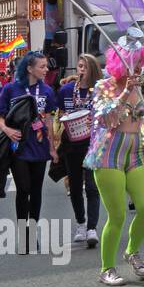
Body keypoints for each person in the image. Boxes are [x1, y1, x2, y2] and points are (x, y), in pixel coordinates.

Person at [87, 42, 144, 285]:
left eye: (139, 62)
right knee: (116, 215)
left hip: (136, 153)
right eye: (132, 62)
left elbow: (143, 121)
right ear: (119, 63)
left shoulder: (139, 87)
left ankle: (132, 250)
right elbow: (106, 119)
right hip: (109, 155)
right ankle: (107, 268)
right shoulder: (104, 86)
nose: (137, 68)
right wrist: (126, 93)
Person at [0, 51, 59, 255]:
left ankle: (32, 232)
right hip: (19, 146)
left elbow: (48, 119)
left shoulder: (47, 90)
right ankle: (24, 235)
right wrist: (7, 130)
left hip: (39, 146)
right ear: (29, 68)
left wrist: (52, 147)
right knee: (23, 189)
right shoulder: (10, 89)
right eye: (42, 66)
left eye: (46, 66)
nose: (46, 69)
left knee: (36, 190)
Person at [58, 53, 101, 250]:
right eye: (79, 66)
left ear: (92, 69)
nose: (81, 70)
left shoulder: (100, 90)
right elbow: (59, 112)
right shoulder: (67, 90)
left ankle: (92, 228)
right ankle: (81, 223)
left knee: (92, 186)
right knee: (75, 186)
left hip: (93, 143)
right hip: (71, 143)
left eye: (85, 67)